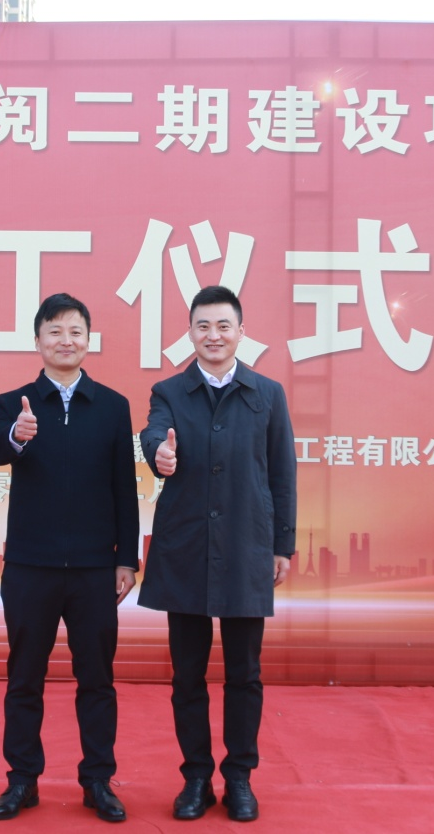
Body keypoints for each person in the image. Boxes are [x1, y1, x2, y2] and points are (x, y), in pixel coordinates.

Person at [138, 285, 297, 823]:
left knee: (244, 673)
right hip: (186, 547)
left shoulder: (267, 394)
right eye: (203, 326)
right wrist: (159, 453)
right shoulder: (168, 391)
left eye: (223, 325)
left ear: (241, 332)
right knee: (187, 675)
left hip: (247, 545)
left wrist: (281, 544)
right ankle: (197, 778)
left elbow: (282, 474)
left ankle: (240, 778)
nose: (213, 335)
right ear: (189, 333)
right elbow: (153, 435)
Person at [0, 293, 140, 823]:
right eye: (55, 331)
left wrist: (126, 559)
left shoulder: (113, 406)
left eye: (75, 331)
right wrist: (16, 435)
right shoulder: (14, 403)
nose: (65, 340)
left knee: (97, 679)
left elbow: (124, 487)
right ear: (38, 341)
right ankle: (21, 780)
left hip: (95, 568)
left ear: (88, 340)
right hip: (31, 566)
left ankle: (97, 781)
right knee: (24, 677)